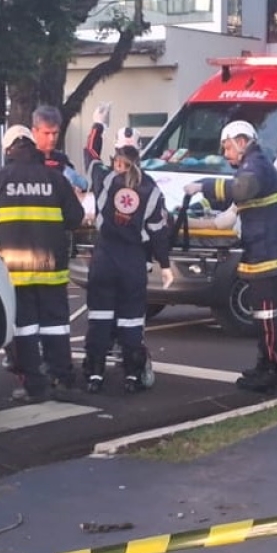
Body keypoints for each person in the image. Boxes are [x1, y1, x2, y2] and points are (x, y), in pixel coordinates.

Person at [184, 119, 277, 393]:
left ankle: (271, 370)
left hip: (272, 255)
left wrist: (204, 185)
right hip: (266, 252)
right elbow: (227, 219)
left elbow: (240, 190)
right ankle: (265, 363)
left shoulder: (256, 166)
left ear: (241, 141)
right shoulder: (252, 168)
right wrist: (193, 220)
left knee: (268, 316)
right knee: (263, 315)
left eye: (227, 147)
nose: (226, 154)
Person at [0, 125, 87, 403]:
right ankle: (62, 377)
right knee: (55, 325)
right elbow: (76, 218)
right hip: (51, 267)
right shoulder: (55, 178)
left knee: (23, 328)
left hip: (16, 269)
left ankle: (33, 385)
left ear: (9, 149)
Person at [84, 145, 175, 394]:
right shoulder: (151, 189)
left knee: (100, 319)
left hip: (104, 258)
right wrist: (165, 265)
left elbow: (90, 157)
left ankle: (94, 374)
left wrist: (98, 127)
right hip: (133, 260)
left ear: (117, 161)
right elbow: (158, 231)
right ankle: (132, 376)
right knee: (131, 321)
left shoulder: (105, 179)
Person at [32, 104, 89, 194]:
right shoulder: (27, 159)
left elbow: (82, 186)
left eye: (55, 133)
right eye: (46, 133)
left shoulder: (62, 160)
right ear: (34, 132)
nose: (52, 138)